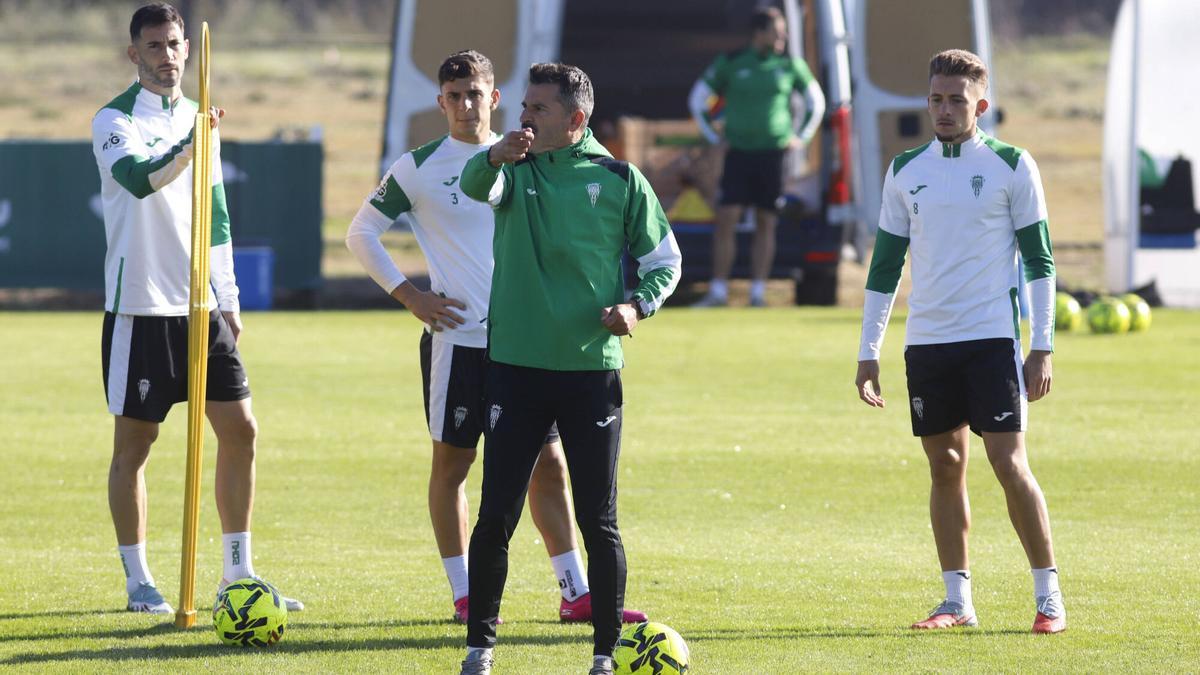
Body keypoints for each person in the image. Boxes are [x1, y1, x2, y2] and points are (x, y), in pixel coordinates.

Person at [345, 50, 647, 626]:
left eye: (475, 94)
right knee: (453, 466)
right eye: (454, 96)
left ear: (495, 98)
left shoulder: (533, 157)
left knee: (549, 466)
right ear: (440, 103)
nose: (464, 105)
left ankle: (574, 590)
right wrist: (411, 296)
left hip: (529, 345)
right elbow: (361, 233)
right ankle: (464, 594)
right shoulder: (420, 166)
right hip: (458, 343)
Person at [456, 64, 682, 675]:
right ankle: (479, 650)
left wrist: (636, 306)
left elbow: (666, 261)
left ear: (576, 119)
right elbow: (476, 185)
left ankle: (605, 655)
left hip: (590, 372)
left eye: (539, 108)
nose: (525, 116)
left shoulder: (620, 178)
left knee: (598, 520)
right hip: (515, 368)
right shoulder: (512, 169)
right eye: (524, 105)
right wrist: (496, 154)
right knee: (495, 513)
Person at [92, 2, 301, 615]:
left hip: (201, 307)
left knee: (241, 431)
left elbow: (216, 217)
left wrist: (228, 296)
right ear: (135, 54)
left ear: (189, 49)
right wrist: (192, 142)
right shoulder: (113, 119)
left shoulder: (196, 118)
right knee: (136, 446)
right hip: (140, 306)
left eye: (175, 44)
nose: (167, 56)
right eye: (153, 46)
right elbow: (138, 178)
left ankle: (239, 575)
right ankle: (139, 582)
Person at [854, 49, 1065, 634]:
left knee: (1008, 463)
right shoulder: (905, 170)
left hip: (991, 339)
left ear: (981, 105)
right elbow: (884, 268)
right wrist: (868, 350)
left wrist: (1040, 346)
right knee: (945, 466)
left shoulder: (1011, 165)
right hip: (927, 344)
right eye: (936, 99)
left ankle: (1048, 596)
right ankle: (957, 601)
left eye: (956, 100)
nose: (944, 110)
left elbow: (1040, 261)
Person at [689, 5, 825, 307]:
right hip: (738, 153)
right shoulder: (732, 62)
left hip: (773, 154)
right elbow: (698, 99)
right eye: (777, 33)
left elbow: (816, 101)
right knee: (727, 218)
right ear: (758, 33)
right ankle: (719, 290)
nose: (782, 38)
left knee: (767, 220)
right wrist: (714, 137)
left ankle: (758, 292)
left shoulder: (790, 65)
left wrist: (800, 138)